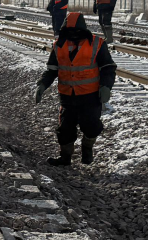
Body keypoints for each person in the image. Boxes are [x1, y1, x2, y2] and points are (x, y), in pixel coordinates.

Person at [34, 12, 116, 166]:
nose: (73, 35)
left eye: (76, 31)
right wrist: (42, 85)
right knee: (65, 129)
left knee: (91, 125)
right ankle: (65, 158)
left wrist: (106, 86)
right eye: (69, 31)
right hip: (67, 96)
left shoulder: (97, 44)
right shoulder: (59, 45)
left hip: (90, 95)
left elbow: (108, 68)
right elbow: (51, 70)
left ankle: (87, 147)